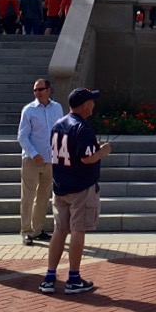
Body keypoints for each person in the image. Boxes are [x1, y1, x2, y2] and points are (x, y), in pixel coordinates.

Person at [40, 88, 111, 295]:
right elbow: (87, 158)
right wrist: (103, 151)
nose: (93, 104)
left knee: (60, 230)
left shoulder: (58, 124)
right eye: (91, 101)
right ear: (85, 105)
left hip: (60, 185)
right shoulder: (82, 127)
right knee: (78, 230)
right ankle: (73, 278)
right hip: (81, 186)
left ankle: (49, 277)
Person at [18, 78, 64, 246]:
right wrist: (33, 153)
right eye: (35, 90)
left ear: (48, 90)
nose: (37, 92)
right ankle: (26, 231)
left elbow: (60, 131)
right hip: (32, 160)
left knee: (43, 196)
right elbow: (22, 136)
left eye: (40, 89)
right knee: (28, 196)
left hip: (51, 159)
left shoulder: (57, 108)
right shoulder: (29, 110)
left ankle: (37, 229)